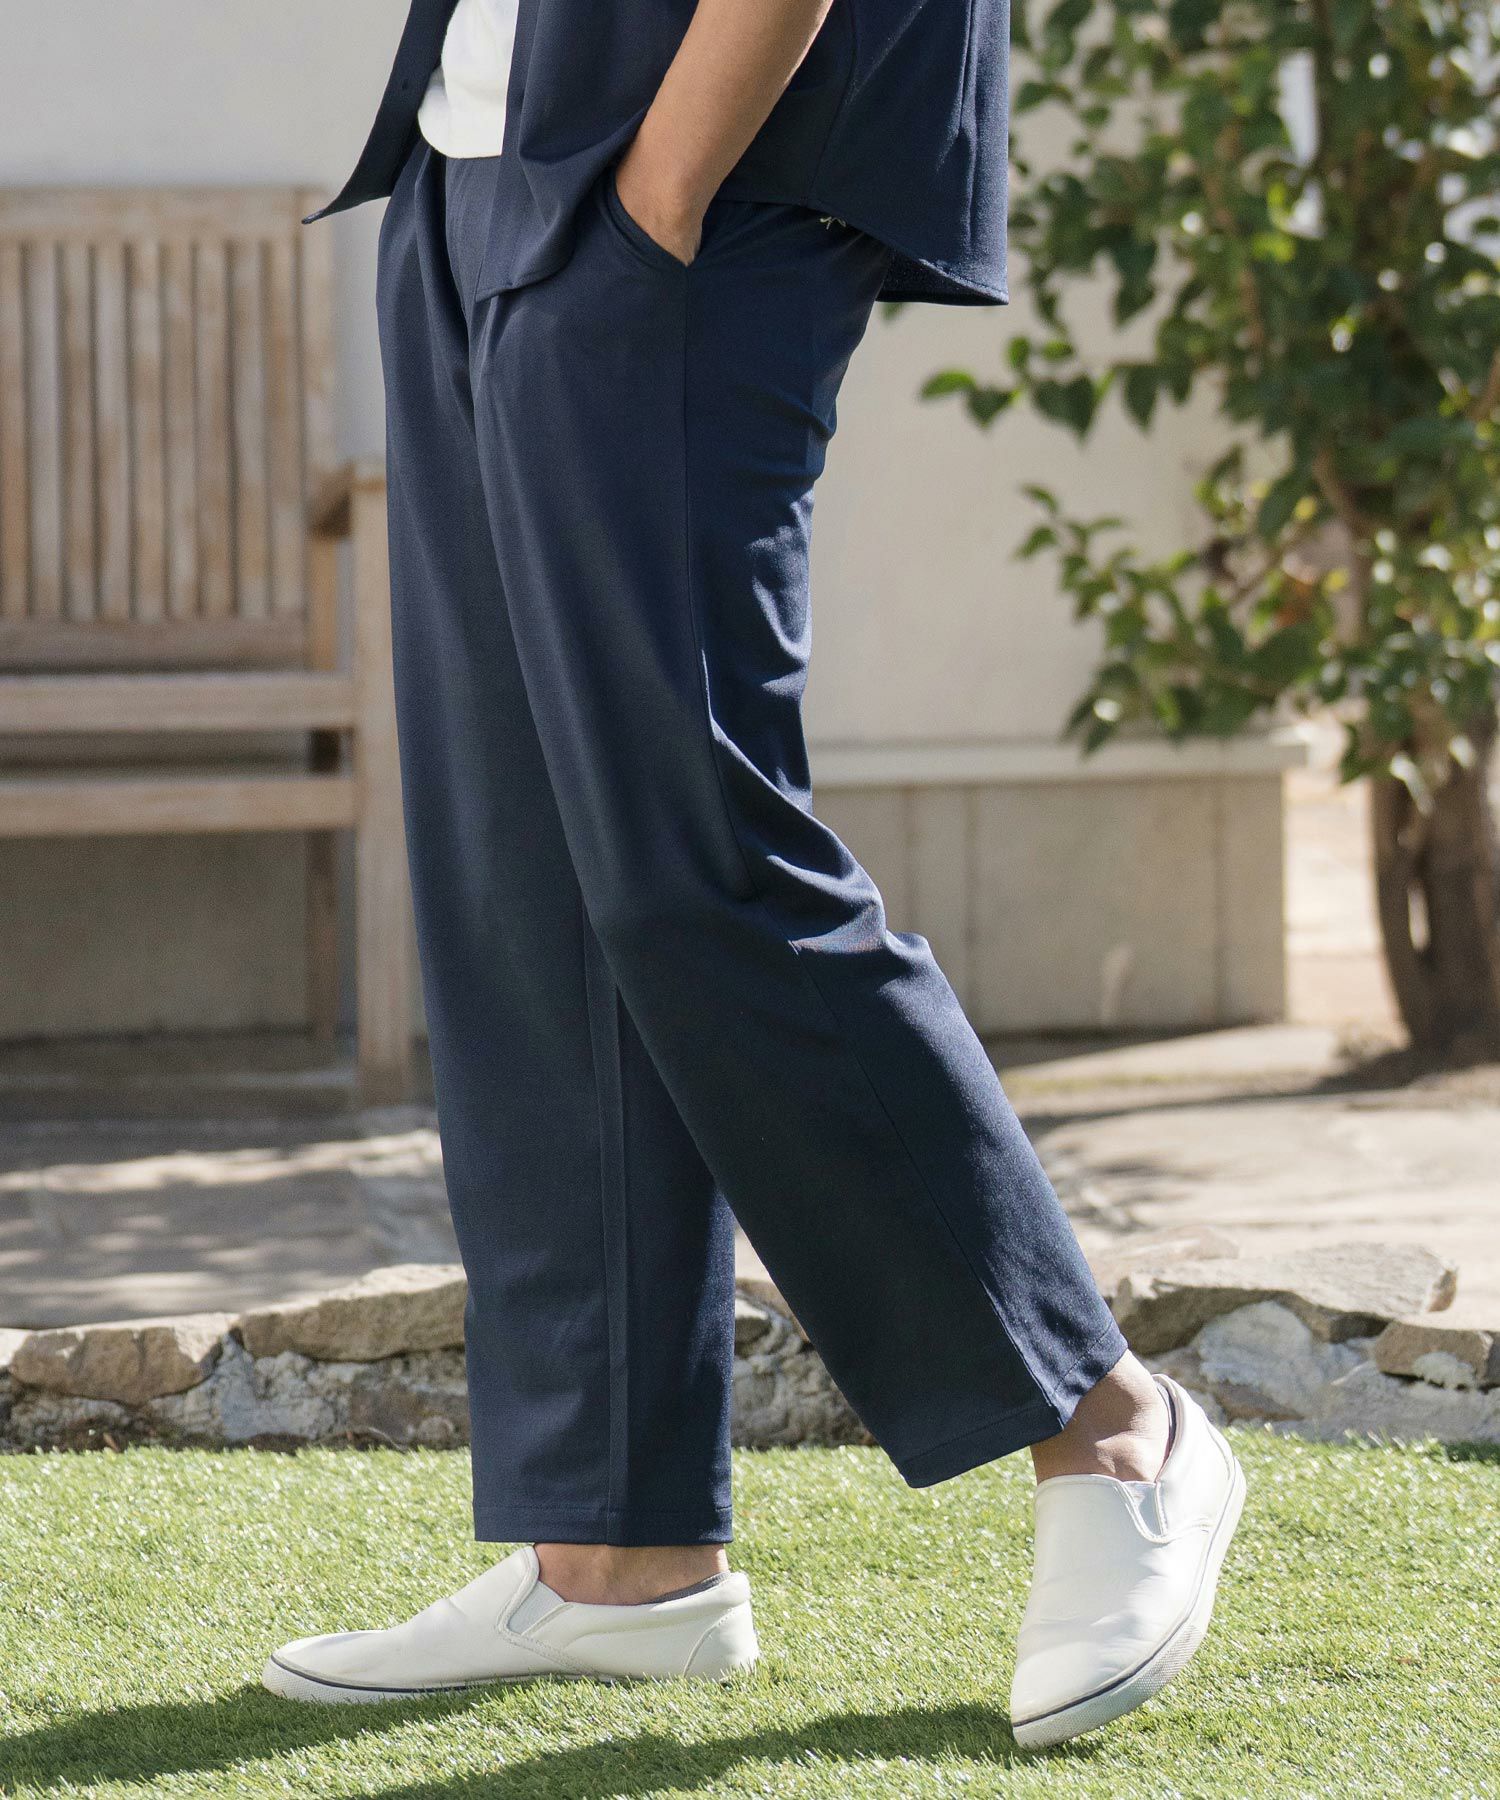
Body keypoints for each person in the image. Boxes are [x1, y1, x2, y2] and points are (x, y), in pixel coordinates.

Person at [261, 0, 1245, 1749]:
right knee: (528, 876)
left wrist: (667, 186)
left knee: (694, 854)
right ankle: (618, 1552)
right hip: (477, 168)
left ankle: (1109, 1425)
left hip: (698, 172)